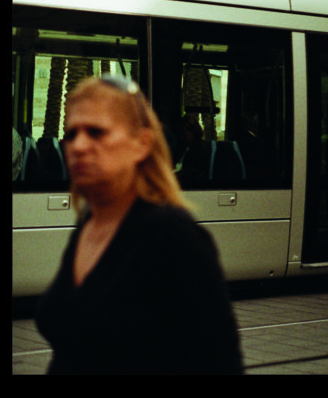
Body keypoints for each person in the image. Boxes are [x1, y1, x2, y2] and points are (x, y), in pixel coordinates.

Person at [35, 75, 244, 375]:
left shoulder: (173, 235)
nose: (78, 145)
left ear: (141, 144)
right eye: (70, 134)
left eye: (96, 132)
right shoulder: (90, 222)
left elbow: (220, 363)